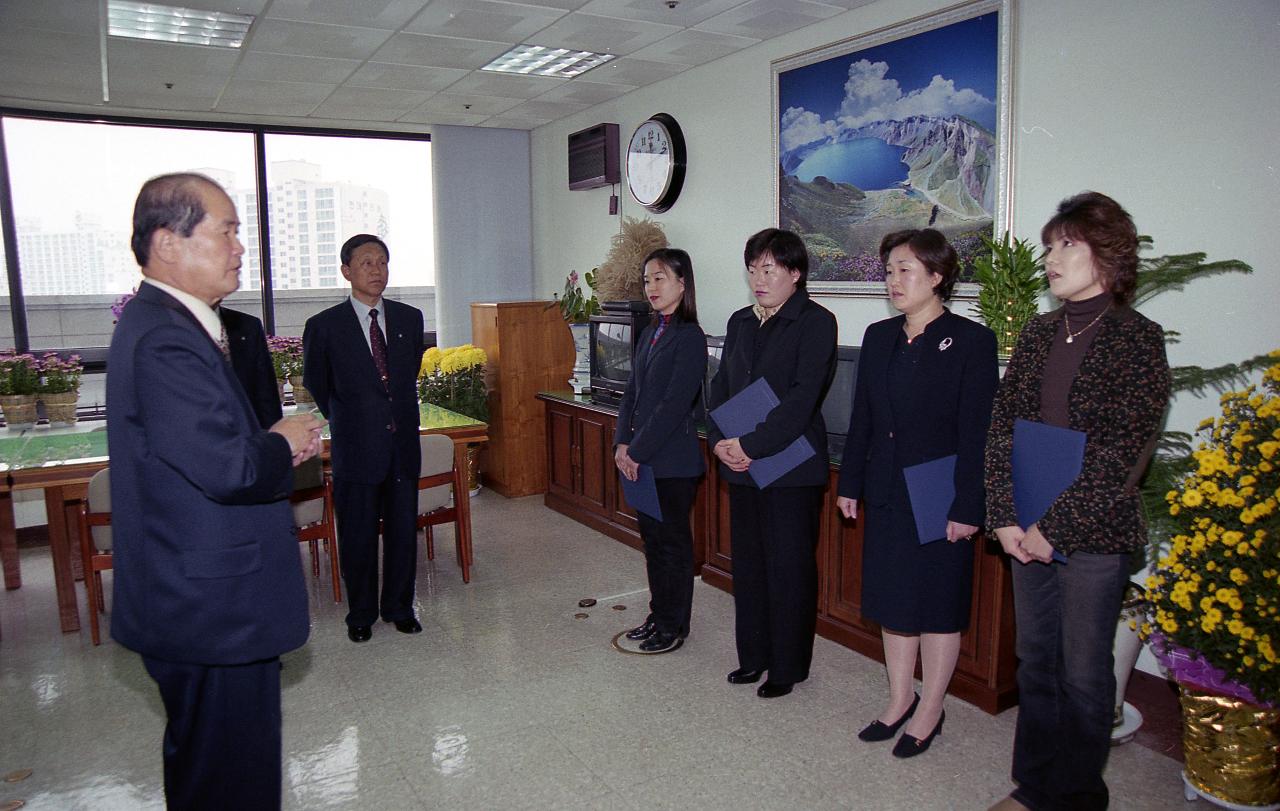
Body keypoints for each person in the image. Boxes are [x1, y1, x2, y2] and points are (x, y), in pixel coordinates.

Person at [108, 172, 325, 809]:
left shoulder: (170, 324)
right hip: (209, 609)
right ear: (167, 243)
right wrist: (283, 441)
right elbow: (227, 467)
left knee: (221, 771)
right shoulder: (165, 338)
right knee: (228, 781)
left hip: (207, 600)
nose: (238, 248)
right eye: (226, 230)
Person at [984, 192, 1171, 811]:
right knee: (1034, 662)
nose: (1050, 257)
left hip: (1091, 532)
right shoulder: (1038, 331)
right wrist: (1007, 518)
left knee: (1086, 675)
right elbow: (1002, 427)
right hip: (1025, 525)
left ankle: (1078, 797)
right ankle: (1034, 788)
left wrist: (1053, 529)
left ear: (1108, 255)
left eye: (1067, 244)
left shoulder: (1137, 339)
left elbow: (1121, 453)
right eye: (1048, 245)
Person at [836, 229, 998, 758]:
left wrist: (968, 504)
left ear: (937, 276)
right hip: (884, 486)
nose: (893, 280)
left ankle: (932, 707)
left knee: (936, 605)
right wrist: (851, 483)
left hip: (938, 491)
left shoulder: (972, 342)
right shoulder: (880, 337)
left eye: (905, 269)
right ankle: (900, 698)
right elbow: (863, 419)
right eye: (889, 270)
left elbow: (979, 433)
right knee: (893, 601)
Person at [707, 228, 837, 699]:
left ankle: (788, 666)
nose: (758, 279)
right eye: (753, 269)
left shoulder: (816, 321)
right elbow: (721, 385)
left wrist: (751, 445)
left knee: (789, 568)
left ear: (795, 273)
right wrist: (721, 439)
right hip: (741, 463)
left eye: (769, 269)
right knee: (751, 565)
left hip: (789, 463)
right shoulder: (742, 321)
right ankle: (754, 657)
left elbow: (802, 400)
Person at [303, 234, 426, 643]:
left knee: (402, 531)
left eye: (382, 262)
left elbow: (405, 379)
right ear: (346, 272)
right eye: (366, 263)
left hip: (402, 446)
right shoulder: (323, 327)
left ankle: (399, 607)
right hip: (356, 448)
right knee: (356, 534)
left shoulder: (410, 319)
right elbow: (318, 385)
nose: (377, 270)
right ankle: (360, 613)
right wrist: (354, 417)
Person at [614, 248, 707, 654]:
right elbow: (632, 392)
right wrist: (621, 441)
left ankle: (674, 625)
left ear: (682, 283)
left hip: (672, 462)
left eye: (661, 278)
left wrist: (636, 450)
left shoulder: (690, 337)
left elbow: (673, 406)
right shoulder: (652, 332)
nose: (651, 286)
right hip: (642, 457)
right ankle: (658, 613)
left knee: (672, 545)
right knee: (652, 542)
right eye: (648, 279)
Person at [219, 304, 283, 429]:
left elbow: (265, 393)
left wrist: (273, 440)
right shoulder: (173, 326)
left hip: (248, 437)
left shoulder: (247, 324)